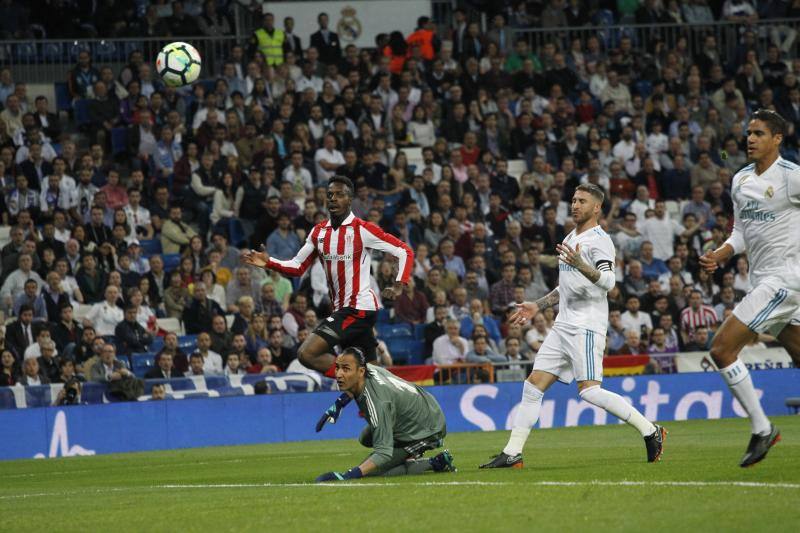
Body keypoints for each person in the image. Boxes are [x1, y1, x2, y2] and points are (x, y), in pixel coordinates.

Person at [481, 184, 665, 469]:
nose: (575, 205)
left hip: (586, 326)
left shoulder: (600, 240)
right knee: (532, 386)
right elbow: (565, 286)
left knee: (589, 391)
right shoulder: (570, 236)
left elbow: (608, 282)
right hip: (563, 325)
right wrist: (538, 305)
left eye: (582, 201)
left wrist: (582, 265)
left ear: (596, 208)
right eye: (574, 200)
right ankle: (512, 452)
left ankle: (650, 430)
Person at [243, 175, 414, 422]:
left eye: (340, 194)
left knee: (307, 354)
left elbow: (404, 251)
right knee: (375, 381)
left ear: (350, 199)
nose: (333, 198)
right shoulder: (318, 232)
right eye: (330, 194)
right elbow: (297, 266)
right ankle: (396, 425)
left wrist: (398, 285)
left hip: (358, 308)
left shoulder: (363, 230)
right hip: (347, 311)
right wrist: (268, 262)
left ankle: (357, 379)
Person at [699, 109, 800, 467]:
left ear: (778, 139)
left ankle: (762, 429)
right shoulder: (740, 180)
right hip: (765, 282)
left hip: (785, 281)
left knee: (722, 349)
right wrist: (720, 254)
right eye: (748, 132)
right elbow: (740, 232)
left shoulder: (791, 177)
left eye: (759, 133)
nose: (750, 138)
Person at [314, 347, 455, 481]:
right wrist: (339, 404)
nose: (338, 374)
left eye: (345, 369)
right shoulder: (368, 368)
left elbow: (383, 452)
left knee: (372, 473)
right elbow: (354, 383)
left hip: (428, 427)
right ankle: (406, 455)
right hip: (417, 409)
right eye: (337, 367)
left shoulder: (378, 403)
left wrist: (348, 475)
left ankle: (435, 462)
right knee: (365, 438)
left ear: (361, 371)